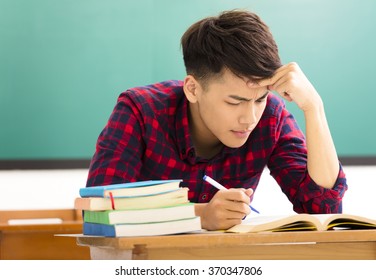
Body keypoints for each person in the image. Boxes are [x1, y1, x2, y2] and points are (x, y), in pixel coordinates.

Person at [86, 10, 348, 230]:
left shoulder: (272, 116)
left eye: (259, 99)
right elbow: (99, 212)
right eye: (234, 102)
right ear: (193, 89)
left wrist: (314, 108)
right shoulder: (140, 111)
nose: (250, 117)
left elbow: (323, 209)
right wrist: (200, 216)